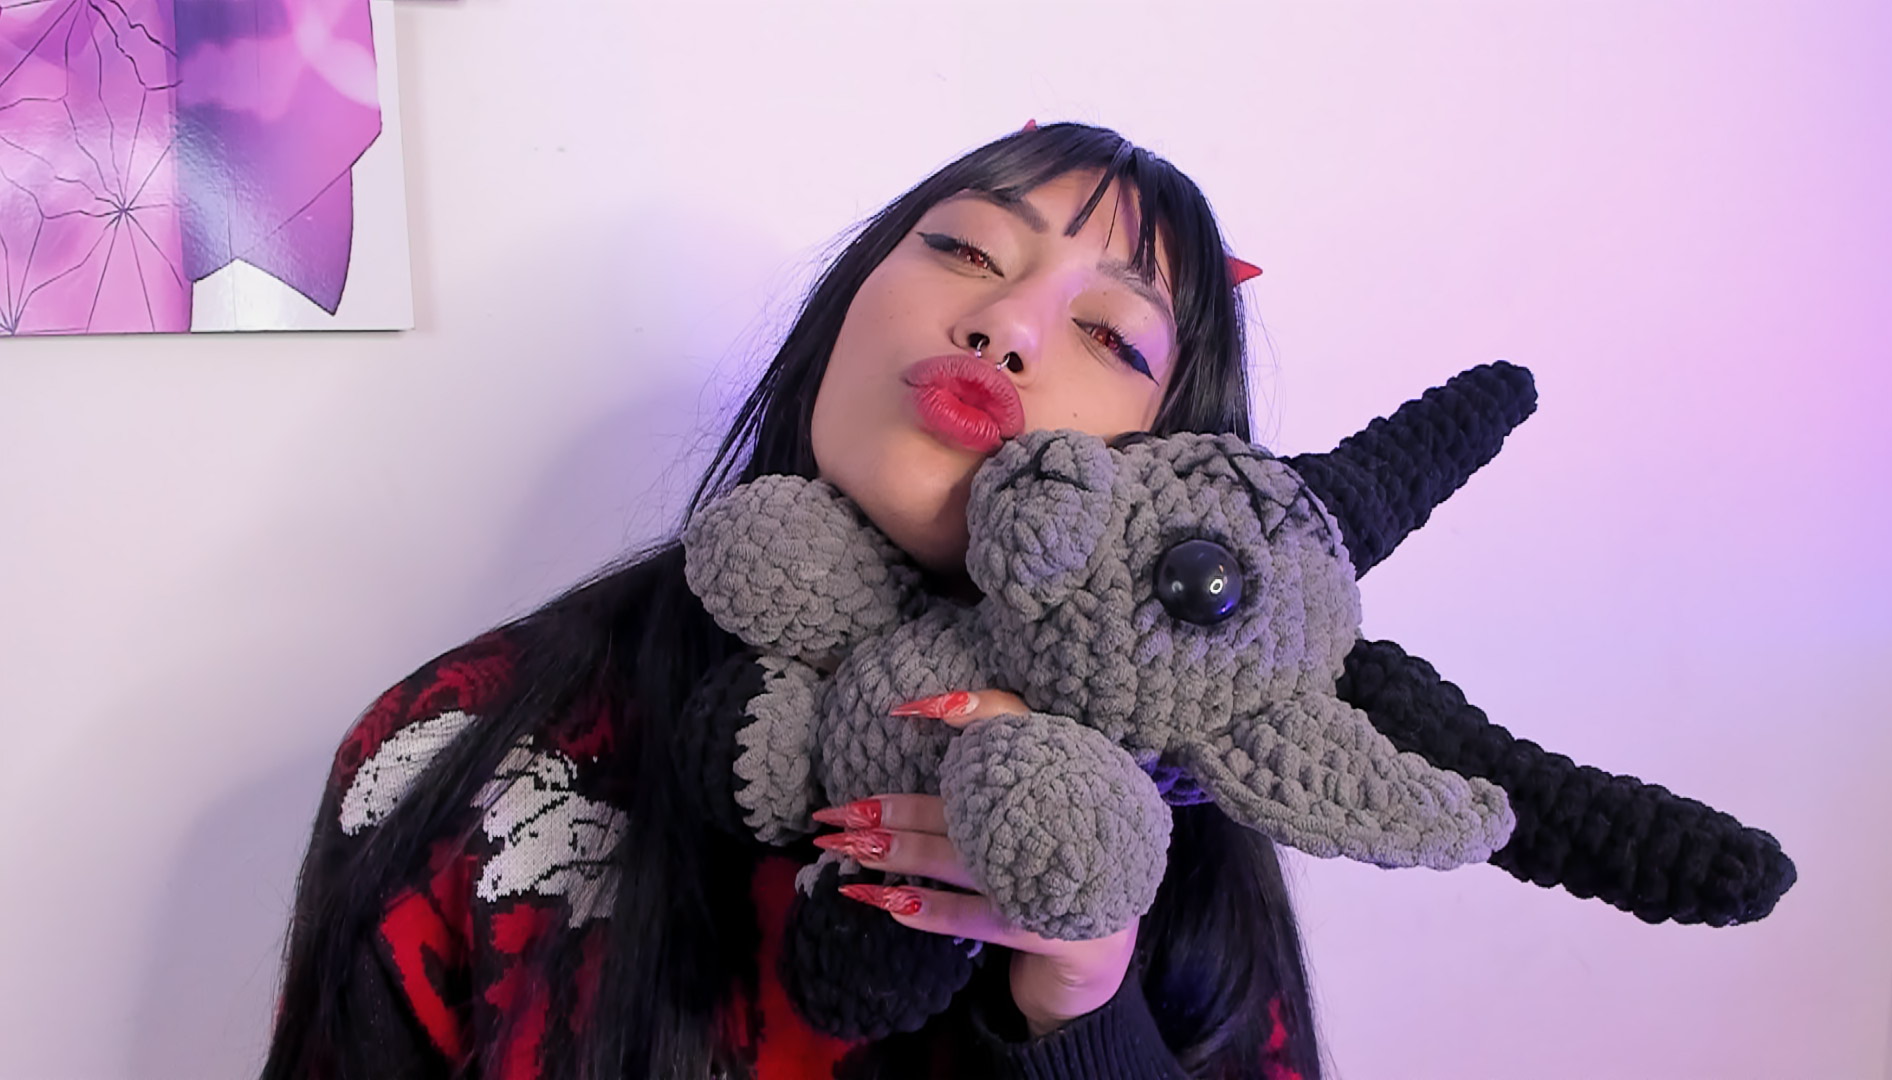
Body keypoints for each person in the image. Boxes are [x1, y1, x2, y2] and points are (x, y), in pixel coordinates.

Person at [262, 122, 1323, 1080]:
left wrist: (1082, 1018)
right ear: (847, 303)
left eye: (1111, 335)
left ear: (1177, 465)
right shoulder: (457, 746)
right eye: (967, 250)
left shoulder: (1193, 847)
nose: (1006, 326)